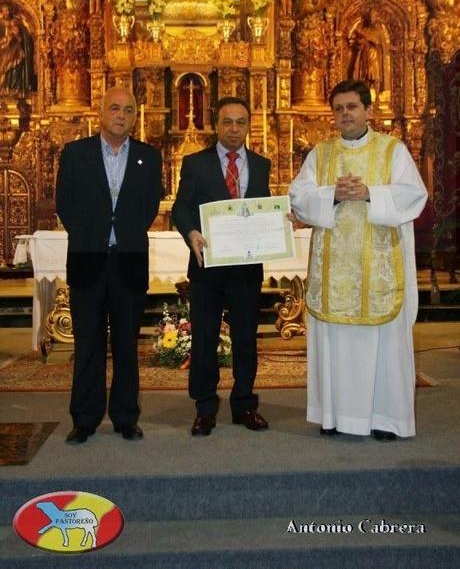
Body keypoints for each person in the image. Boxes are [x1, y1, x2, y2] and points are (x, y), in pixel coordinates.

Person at [289, 79, 427, 440]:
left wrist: (370, 193)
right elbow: (298, 197)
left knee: (381, 346)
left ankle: (385, 419)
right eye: (338, 108)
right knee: (336, 344)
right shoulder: (321, 153)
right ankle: (334, 416)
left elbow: (414, 196)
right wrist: (331, 195)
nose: (345, 114)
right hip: (333, 269)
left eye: (351, 107)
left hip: (377, 269)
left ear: (368, 110)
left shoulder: (392, 151)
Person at [56, 86, 163, 444]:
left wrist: (122, 233)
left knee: (126, 345)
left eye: (128, 110)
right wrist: (96, 235)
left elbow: (149, 207)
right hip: (88, 260)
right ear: (101, 113)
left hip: (129, 263)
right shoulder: (75, 154)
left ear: (136, 116)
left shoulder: (149, 156)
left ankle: (125, 417)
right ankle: (84, 419)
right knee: (87, 343)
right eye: (114, 108)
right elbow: (65, 205)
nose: (121, 115)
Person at [172, 96, 271, 436]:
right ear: (216, 124)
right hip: (207, 267)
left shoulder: (261, 164)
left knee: (245, 339)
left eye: (240, 122)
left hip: (246, 269)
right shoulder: (195, 163)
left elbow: (263, 209)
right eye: (227, 122)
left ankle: (244, 404)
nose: (233, 128)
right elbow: (180, 208)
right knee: (204, 339)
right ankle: (205, 408)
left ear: (248, 125)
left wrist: (277, 221)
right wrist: (191, 232)